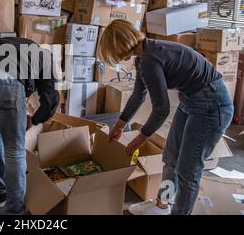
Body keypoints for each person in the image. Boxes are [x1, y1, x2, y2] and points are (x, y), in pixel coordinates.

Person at [97, 19, 233, 215]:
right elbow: (138, 95)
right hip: (191, 98)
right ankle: (163, 204)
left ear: (120, 45)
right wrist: (119, 125)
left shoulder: (150, 60)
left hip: (212, 104)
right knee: (171, 157)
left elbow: (161, 109)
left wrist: (139, 139)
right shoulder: (143, 55)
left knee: (189, 170)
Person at [0, 37, 60, 214]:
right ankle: (15, 210)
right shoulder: (46, 61)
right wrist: (33, 121)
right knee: (15, 149)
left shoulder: (22, 47)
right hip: (5, 79)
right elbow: (50, 103)